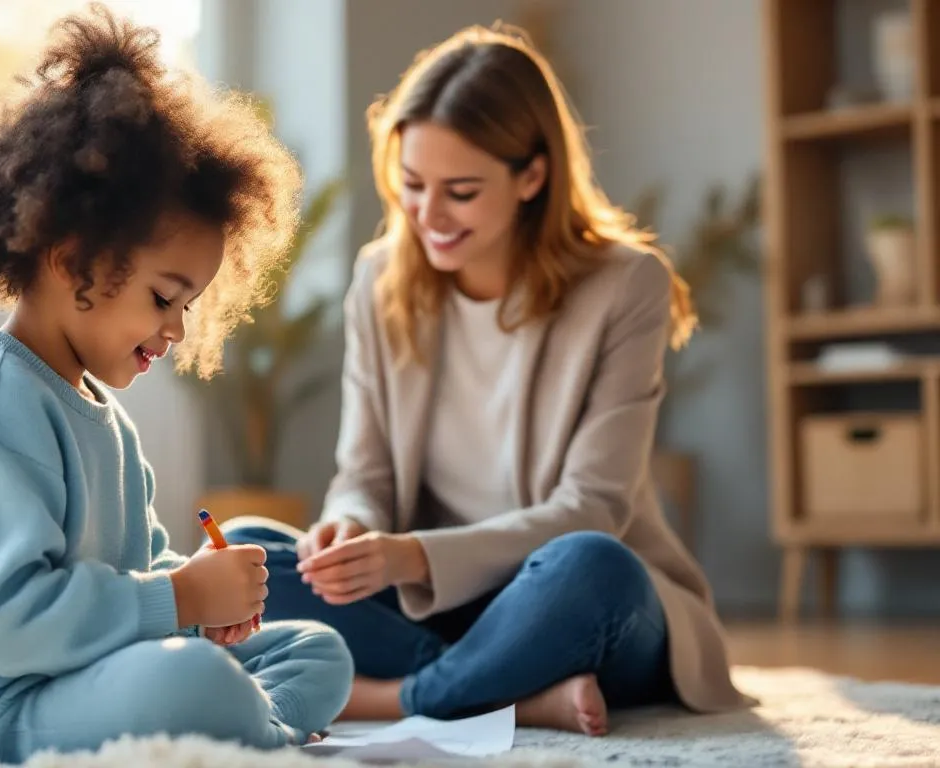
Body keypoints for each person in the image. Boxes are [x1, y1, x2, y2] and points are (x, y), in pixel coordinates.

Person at [223, 22, 752, 737]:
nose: (428, 216)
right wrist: (348, 527)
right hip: (436, 602)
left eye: (461, 192)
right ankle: (515, 695)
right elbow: (364, 474)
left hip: (568, 597)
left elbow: (592, 508)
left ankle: (403, 700)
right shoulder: (380, 281)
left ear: (532, 176)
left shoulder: (628, 285)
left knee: (594, 565)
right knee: (247, 549)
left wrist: (409, 554)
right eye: (412, 185)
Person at [0, 5, 353, 762]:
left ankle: (252, 730)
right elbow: (4, 625)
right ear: (71, 258)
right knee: (195, 683)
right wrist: (182, 600)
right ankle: (252, 730)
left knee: (318, 651)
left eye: (188, 305)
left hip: (78, 676)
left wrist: (193, 603)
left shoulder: (103, 418)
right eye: (164, 298)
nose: (179, 329)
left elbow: (140, 573)